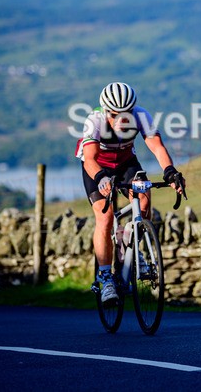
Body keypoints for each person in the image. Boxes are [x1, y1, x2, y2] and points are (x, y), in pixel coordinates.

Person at [76, 81, 185, 305]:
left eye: (126, 113)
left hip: (126, 163)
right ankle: (105, 277)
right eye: (116, 114)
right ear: (107, 111)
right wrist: (101, 178)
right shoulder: (94, 120)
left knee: (144, 201)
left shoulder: (141, 116)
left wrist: (171, 172)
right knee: (105, 217)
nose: (121, 118)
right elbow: (89, 159)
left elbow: (156, 146)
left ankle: (129, 245)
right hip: (97, 167)